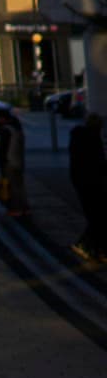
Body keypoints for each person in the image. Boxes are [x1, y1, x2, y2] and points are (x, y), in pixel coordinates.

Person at [68, 105, 107, 265]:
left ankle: (96, 249)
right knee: (98, 218)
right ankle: (85, 246)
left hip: (81, 182)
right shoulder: (93, 139)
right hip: (92, 184)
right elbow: (98, 164)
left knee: (96, 217)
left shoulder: (78, 138)